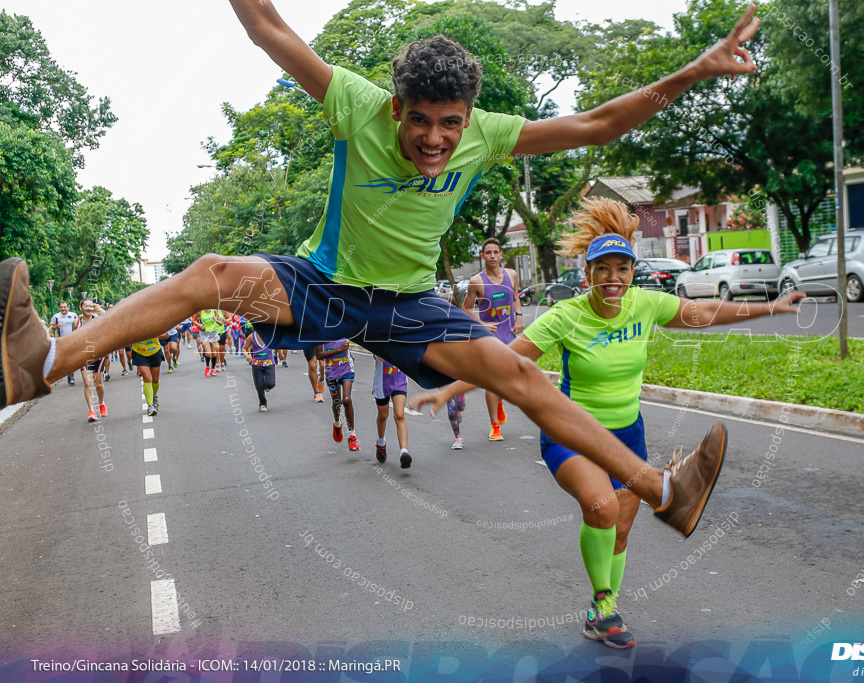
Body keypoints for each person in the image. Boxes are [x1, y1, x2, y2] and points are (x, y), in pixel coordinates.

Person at [0, 2, 766, 540]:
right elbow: (268, 26)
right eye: (419, 120)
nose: (433, 139)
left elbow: (598, 123)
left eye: (449, 125)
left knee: (524, 377)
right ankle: (45, 361)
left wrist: (695, 70)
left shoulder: (489, 135)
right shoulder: (355, 104)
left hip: (410, 306)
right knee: (209, 272)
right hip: (323, 282)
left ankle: (665, 492)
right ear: (395, 106)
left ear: (468, 119)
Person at [412, 197, 806, 648]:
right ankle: (606, 596)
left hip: (627, 435)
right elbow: (503, 364)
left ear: (632, 272)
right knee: (600, 506)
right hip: (572, 434)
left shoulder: (645, 305)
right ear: (589, 274)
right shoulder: (565, 316)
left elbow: (705, 314)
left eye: (622, 268)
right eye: (603, 269)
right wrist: (447, 389)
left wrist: (772, 307)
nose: (613, 278)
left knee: (619, 527)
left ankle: (605, 610)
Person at [462, 238, 522, 441]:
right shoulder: (476, 282)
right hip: (490, 337)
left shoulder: (511, 275)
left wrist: (519, 315)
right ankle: (495, 426)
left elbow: (515, 296)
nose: (492, 256)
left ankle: (499, 401)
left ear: (501, 254)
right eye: (488, 253)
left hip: (509, 334)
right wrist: (482, 324)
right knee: (491, 381)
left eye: (496, 252)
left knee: (508, 377)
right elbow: (466, 308)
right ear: (482, 256)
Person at [315, 338, 359, 450]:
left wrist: (349, 353)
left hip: (346, 369)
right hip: (331, 371)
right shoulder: (321, 332)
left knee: (347, 400)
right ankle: (337, 422)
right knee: (337, 402)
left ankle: (352, 436)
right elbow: (319, 355)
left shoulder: (343, 327)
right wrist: (339, 349)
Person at [372, 355, 411, 468]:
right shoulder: (377, 340)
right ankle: (381, 442)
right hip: (382, 383)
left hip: (400, 380)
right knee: (383, 416)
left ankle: (404, 452)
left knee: (399, 415)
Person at [76, 299, 107, 422]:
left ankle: (101, 403)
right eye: (86, 306)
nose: (88, 308)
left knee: (98, 384)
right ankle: (91, 410)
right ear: (80, 307)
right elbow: (74, 338)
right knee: (88, 383)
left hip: (98, 354)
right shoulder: (76, 322)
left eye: (90, 306)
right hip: (84, 357)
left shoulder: (98, 320)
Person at [133, 331, 168, 417]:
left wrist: (150, 334)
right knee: (147, 377)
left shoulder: (154, 321)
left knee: (155, 380)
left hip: (154, 351)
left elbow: (166, 335)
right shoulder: (132, 323)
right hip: (139, 352)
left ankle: (154, 397)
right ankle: (150, 406)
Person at [242, 328, 277, 411]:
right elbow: (244, 348)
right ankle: (262, 403)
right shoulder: (251, 337)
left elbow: (277, 344)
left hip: (269, 363)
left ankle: (267, 386)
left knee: (271, 383)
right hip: (257, 365)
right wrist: (247, 356)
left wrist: (280, 353)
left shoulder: (270, 335)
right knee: (259, 385)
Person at [48, 301, 79, 385]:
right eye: (61, 307)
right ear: (59, 308)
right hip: (62, 341)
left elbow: (78, 326)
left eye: (65, 307)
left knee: (72, 359)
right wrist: (56, 327)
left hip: (72, 340)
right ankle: (70, 375)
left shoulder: (73, 315)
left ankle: (71, 375)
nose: (63, 309)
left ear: (68, 308)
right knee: (67, 360)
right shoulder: (56, 317)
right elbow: (50, 328)